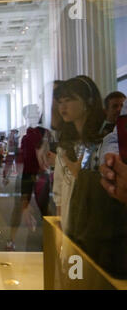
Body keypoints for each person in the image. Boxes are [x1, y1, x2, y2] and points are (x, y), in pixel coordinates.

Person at [52, 75, 105, 232]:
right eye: (60, 102)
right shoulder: (65, 146)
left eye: (69, 100)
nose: (63, 106)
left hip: (96, 227)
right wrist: (60, 231)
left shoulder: (104, 142)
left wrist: (80, 175)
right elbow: (59, 193)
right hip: (72, 224)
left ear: (88, 101)